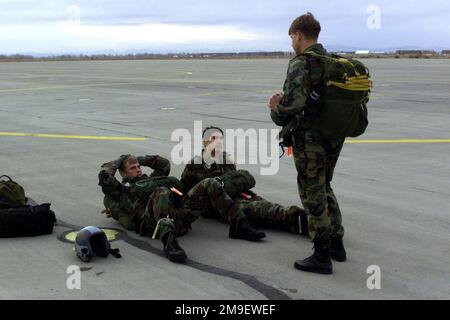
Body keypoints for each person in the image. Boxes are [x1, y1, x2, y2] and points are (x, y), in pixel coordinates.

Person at [268, 12, 346, 275]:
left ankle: (321, 254)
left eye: (291, 37)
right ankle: (337, 242)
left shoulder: (302, 63)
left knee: (312, 190)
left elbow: (292, 105)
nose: (291, 42)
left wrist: (275, 109)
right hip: (334, 135)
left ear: (298, 35)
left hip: (311, 138)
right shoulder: (331, 60)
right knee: (325, 184)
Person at [98, 154, 265, 263]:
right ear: (124, 174)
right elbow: (105, 176)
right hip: (154, 224)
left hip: (180, 216)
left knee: (210, 183)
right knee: (161, 192)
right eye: (132, 168)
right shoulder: (121, 191)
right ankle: (170, 243)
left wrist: (137, 159)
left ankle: (239, 224)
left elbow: (163, 163)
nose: (138, 169)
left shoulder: (153, 178)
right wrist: (120, 161)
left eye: (138, 167)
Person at [181, 126, 308, 236]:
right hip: (223, 206)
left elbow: (237, 179)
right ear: (205, 143)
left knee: (271, 208)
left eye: (220, 138)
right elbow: (186, 192)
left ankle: (307, 222)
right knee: (263, 211)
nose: (218, 142)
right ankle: (305, 223)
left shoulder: (226, 160)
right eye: (214, 138)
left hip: (242, 196)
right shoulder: (194, 164)